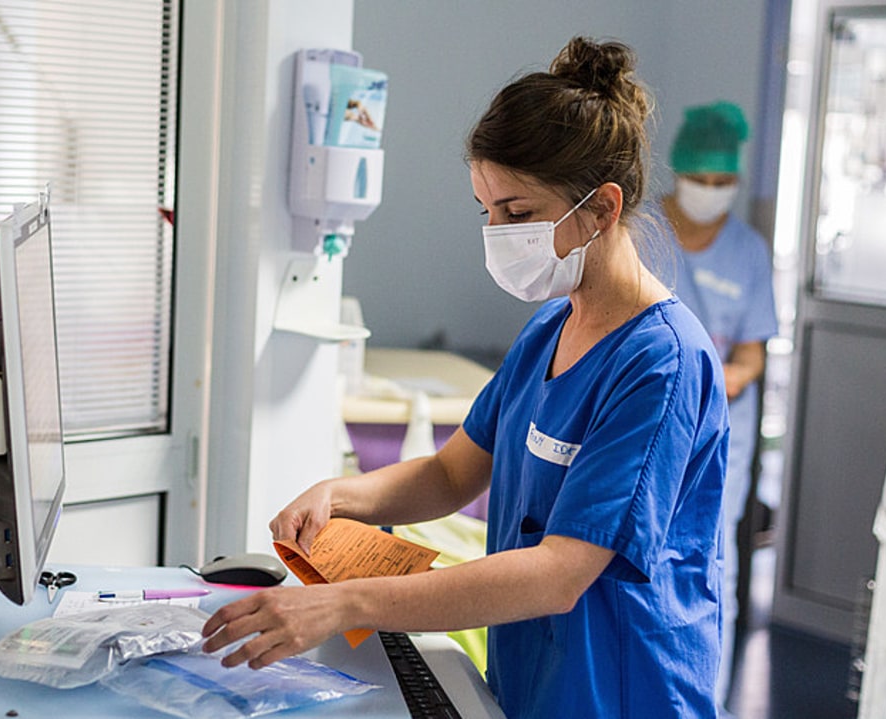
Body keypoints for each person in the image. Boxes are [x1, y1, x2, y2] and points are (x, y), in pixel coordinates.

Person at [201, 37, 729, 719]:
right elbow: (452, 473)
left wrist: (345, 602)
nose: (496, 231)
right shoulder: (552, 327)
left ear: (601, 209)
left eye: (517, 213)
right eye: (486, 209)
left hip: (622, 696)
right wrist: (343, 493)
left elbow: (558, 573)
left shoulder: (662, 364)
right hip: (533, 684)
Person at [659, 100, 778, 715]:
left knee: (709, 566)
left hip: (716, 429)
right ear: (677, 171)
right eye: (700, 179)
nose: (710, 192)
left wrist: (714, 378)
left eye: (722, 182)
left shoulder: (748, 252)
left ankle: (705, 700)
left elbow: (753, 355)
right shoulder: (639, 232)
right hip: (648, 421)